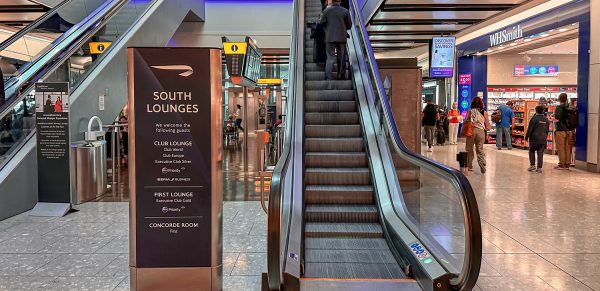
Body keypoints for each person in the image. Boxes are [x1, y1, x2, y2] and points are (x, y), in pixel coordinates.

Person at [319, 0, 352, 80]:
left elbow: (321, 23)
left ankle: (328, 77)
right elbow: (349, 25)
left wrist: (328, 28)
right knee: (342, 57)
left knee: (330, 58)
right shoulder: (345, 11)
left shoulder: (326, 11)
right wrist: (343, 28)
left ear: (332, 1)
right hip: (342, 37)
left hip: (329, 37)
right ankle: (341, 75)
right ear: (340, 2)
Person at [465, 97, 490, 174]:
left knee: (469, 148)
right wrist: (486, 128)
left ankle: (469, 166)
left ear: (472, 104)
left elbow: (466, 121)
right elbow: (488, 125)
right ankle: (482, 162)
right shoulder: (484, 113)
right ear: (481, 103)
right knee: (479, 149)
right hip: (481, 132)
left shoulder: (469, 112)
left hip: (471, 131)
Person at [525, 106, 550, 173]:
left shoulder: (534, 119)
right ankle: (539, 168)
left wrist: (526, 137)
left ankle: (532, 165)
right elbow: (547, 130)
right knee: (540, 153)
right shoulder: (546, 119)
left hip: (534, 139)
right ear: (543, 111)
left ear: (536, 110)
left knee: (532, 151)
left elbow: (530, 129)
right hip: (543, 139)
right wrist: (545, 137)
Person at [554, 93, 573, 170]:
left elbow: (557, 118)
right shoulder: (570, 107)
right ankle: (567, 164)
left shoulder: (558, 107)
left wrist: (553, 116)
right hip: (569, 130)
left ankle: (562, 164)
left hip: (560, 130)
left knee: (560, 148)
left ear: (559, 99)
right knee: (567, 148)